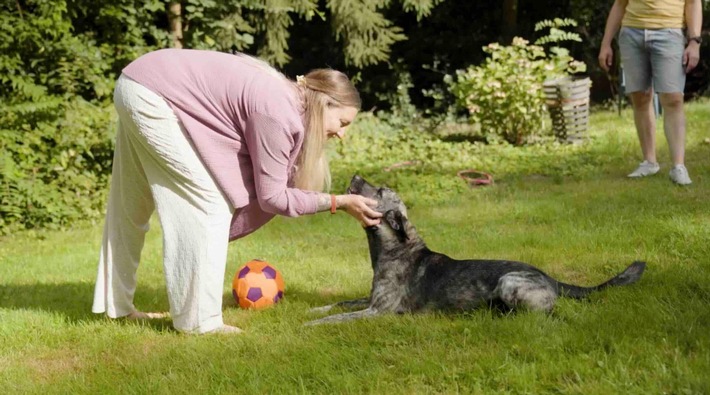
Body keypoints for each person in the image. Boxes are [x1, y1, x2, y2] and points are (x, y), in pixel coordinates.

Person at [91, 49, 383, 334]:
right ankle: (199, 322)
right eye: (342, 122)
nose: (342, 134)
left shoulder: (286, 99)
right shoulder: (280, 113)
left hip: (139, 81)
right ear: (325, 103)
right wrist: (339, 202)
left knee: (131, 202)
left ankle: (118, 306)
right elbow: (273, 197)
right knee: (208, 206)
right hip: (151, 93)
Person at [598, 0, 702, 185]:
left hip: (669, 33)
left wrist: (694, 42)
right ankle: (649, 161)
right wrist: (606, 43)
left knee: (673, 99)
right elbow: (620, 4)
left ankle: (678, 166)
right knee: (640, 98)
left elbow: (693, 3)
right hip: (631, 33)